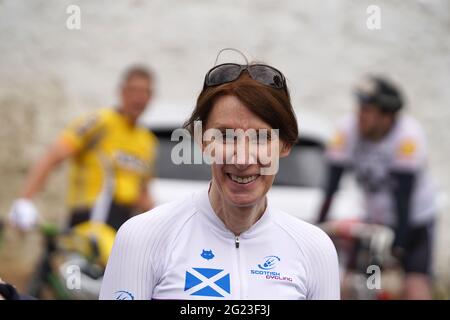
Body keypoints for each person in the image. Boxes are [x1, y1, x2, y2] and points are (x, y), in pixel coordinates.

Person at [100, 51, 340, 300]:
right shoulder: (143, 238)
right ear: (202, 141)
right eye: (225, 136)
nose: (242, 159)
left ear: (286, 144)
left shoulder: (315, 249)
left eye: (261, 138)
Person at [317, 75, 437, 299]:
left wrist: (398, 247)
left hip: (414, 221)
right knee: (364, 283)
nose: (360, 116)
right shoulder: (347, 128)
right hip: (375, 220)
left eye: (368, 110)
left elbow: (404, 197)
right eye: (360, 108)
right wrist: (318, 225)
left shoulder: (408, 135)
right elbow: (331, 185)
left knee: (415, 284)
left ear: (387, 117)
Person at [9, 65, 159, 231]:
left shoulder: (148, 141)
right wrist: (24, 200)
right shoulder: (99, 122)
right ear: (122, 91)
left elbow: (143, 193)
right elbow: (53, 156)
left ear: (151, 97)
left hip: (124, 221)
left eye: (145, 92)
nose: (139, 98)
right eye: (134, 90)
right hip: (89, 218)